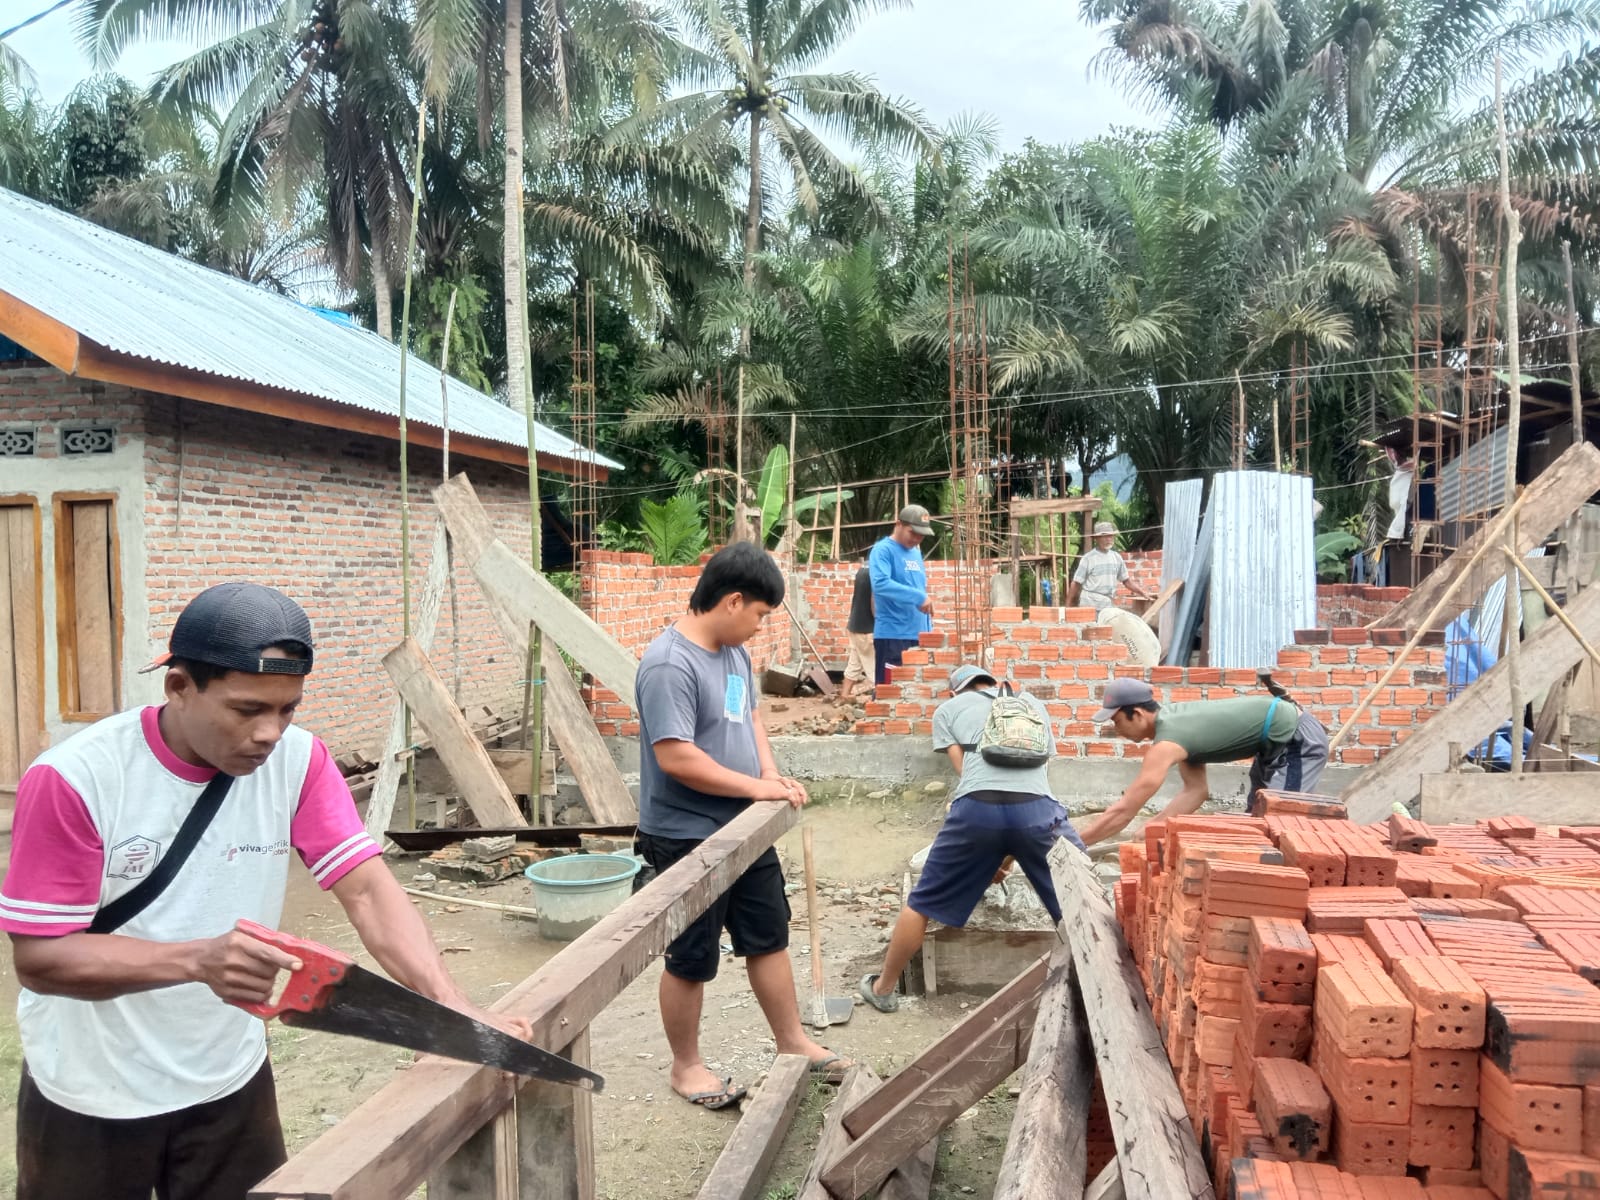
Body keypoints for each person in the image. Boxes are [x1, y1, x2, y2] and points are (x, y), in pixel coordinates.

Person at [0, 582, 527, 1200]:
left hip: (230, 1079)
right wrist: (197, 960)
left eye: (287, 709)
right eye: (248, 710)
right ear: (178, 687)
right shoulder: (77, 778)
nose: (269, 733)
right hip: (91, 1091)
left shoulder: (298, 761)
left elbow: (367, 890)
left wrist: (446, 1004)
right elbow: (40, 959)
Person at [635, 541, 849, 1110]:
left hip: (744, 826)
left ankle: (792, 1041)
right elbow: (676, 756)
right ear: (732, 602)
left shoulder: (733, 656)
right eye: (759, 615)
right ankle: (687, 1066)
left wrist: (771, 773)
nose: (759, 628)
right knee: (691, 956)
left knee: (767, 934)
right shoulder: (667, 664)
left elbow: (748, 714)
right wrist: (758, 788)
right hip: (685, 834)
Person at [858, 664, 1085, 1013]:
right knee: (1081, 899)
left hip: (978, 810)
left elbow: (967, 772)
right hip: (1039, 811)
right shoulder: (1030, 704)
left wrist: (986, 851)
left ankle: (884, 988)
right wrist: (1008, 854)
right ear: (993, 684)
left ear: (954, 692)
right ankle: (1097, 988)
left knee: (921, 902)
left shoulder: (948, 710)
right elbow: (1036, 770)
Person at [1076, 678, 1331, 846]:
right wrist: (1154, 826)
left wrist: (1078, 842)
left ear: (1138, 714)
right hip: (1273, 747)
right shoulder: (1177, 728)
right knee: (1257, 821)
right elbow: (1195, 792)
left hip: (1296, 740)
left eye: (1117, 721)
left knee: (1278, 823)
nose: (1117, 730)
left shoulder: (1167, 743)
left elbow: (1124, 810)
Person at [869, 504, 935, 685]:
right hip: (894, 636)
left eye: (921, 535)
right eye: (912, 532)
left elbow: (918, 587)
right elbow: (880, 584)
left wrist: (929, 629)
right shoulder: (883, 550)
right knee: (890, 694)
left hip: (918, 635)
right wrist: (919, 597)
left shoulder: (915, 553)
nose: (917, 538)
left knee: (914, 694)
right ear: (898, 524)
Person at [1068, 520, 1150, 612]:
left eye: (1110, 536)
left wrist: (1142, 593)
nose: (1108, 539)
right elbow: (1076, 583)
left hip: (1107, 604)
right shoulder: (1088, 558)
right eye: (1105, 536)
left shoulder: (1116, 557)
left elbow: (1126, 581)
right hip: (1089, 604)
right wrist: (1068, 607)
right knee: (1091, 626)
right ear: (1097, 538)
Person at [840, 556, 875, 702]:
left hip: (855, 625)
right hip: (868, 629)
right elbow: (874, 602)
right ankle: (879, 703)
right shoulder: (877, 571)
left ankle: (844, 696)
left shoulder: (863, 569)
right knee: (876, 671)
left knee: (854, 664)